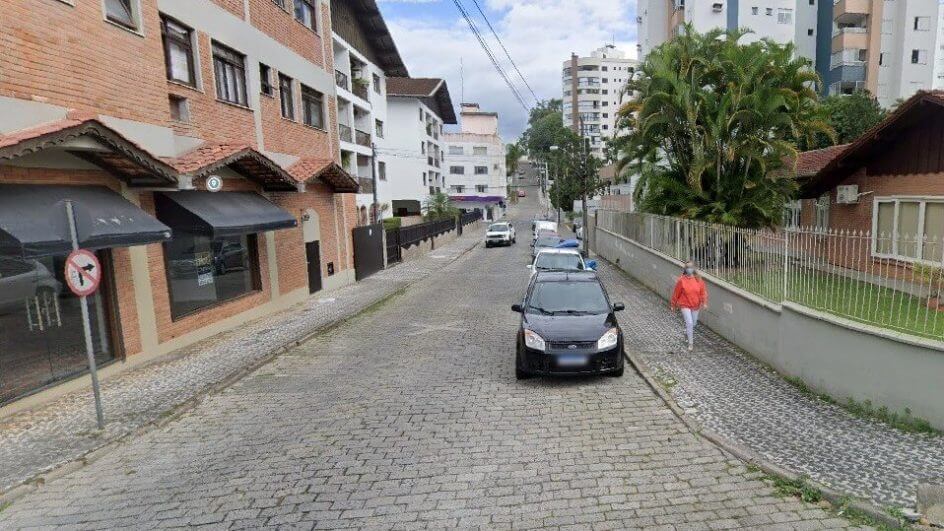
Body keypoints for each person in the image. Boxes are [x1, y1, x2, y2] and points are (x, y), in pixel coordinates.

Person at [670, 261, 708, 351]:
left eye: (690, 267)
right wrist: (673, 304)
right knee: (690, 323)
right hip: (684, 305)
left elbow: (703, 293)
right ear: (685, 269)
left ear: (694, 269)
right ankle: (690, 343)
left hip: (695, 305)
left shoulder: (699, 280)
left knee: (693, 323)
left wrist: (704, 302)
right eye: (687, 267)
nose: (689, 269)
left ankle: (687, 332)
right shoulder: (681, 280)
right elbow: (676, 293)